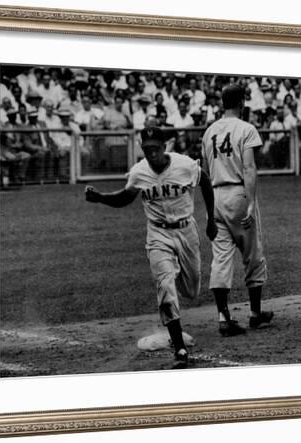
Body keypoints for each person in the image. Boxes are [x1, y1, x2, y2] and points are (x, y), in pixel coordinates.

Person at [85, 127, 218, 369]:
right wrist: (102, 198)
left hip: (187, 230)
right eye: (147, 150)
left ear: (164, 147)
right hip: (157, 234)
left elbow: (206, 181)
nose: (151, 154)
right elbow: (126, 196)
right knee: (164, 286)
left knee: (191, 290)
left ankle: (174, 275)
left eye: (155, 148)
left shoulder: (184, 165)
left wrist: (211, 218)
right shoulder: (139, 172)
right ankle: (179, 348)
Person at [201, 84, 273, 336]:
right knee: (253, 255)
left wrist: (210, 211)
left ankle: (224, 318)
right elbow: (249, 169)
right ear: (241, 102)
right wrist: (251, 203)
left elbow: (204, 174)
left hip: (216, 196)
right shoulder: (246, 128)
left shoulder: (209, 131)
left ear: (223, 102)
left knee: (220, 260)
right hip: (238, 194)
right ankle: (255, 314)